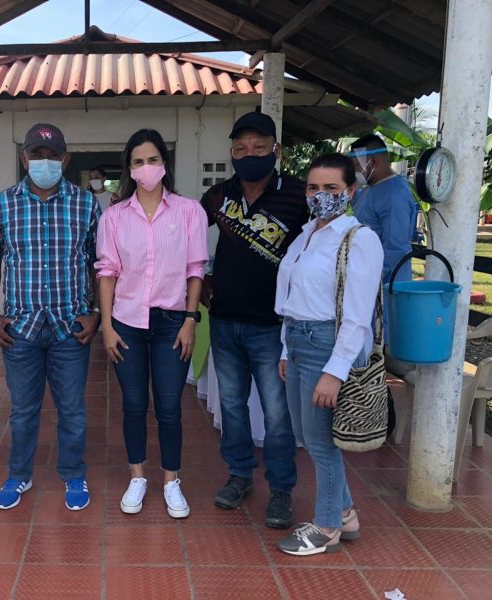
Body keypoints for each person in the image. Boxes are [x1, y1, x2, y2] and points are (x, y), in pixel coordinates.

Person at [0, 123, 101, 511]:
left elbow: (100, 264)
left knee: (72, 411)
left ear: (65, 159)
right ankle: (19, 474)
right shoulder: (4, 204)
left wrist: (97, 313)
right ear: (24, 158)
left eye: (52, 156)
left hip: (71, 326)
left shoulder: (86, 204)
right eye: (37, 155)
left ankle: (73, 473)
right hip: (21, 328)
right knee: (22, 411)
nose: (44, 162)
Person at [201, 111, 309, 529]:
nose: (249, 154)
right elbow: (184, 234)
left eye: (259, 148)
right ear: (232, 152)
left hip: (272, 326)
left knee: (277, 414)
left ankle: (281, 490)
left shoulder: (298, 195)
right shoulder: (218, 196)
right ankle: (240, 475)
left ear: (275, 150)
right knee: (232, 407)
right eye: (241, 148)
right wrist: (201, 279)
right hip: (224, 321)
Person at [96, 129, 208, 518]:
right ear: (129, 169)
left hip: (172, 322)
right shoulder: (113, 217)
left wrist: (190, 319)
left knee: (169, 406)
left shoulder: (189, 211)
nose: (146, 168)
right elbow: (107, 272)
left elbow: (195, 269)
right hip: (126, 322)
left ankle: (171, 480)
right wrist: (107, 326)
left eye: (153, 160)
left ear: (165, 163)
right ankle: (137, 476)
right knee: (133, 403)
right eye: (138, 161)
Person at [275, 153, 383, 555]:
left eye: (331, 188)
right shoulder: (306, 234)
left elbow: (357, 316)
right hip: (297, 339)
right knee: (308, 435)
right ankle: (346, 513)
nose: (320, 195)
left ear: (350, 191)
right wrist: (286, 348)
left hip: (326, 343)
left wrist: (335, 372)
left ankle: (326, 526)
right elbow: (293, 297)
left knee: (321, 443)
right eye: (313, 187)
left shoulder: (359, 239)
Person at [349, 134, 418, 285]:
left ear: (374, 161)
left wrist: (370, 279)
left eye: (356, 166)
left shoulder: (394, 195)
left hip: (386, 283)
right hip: (366, 275)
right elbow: (361, 208)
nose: (354, 172)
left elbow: (395, 249)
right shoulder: (371, 189)